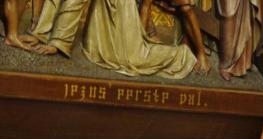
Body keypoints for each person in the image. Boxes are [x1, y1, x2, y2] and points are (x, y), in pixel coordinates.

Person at [29, 0, 197, 79]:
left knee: (135, 58)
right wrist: (44, 36)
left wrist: (57, 43)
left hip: (121, 15)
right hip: (102, 22)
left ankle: (182, 55)